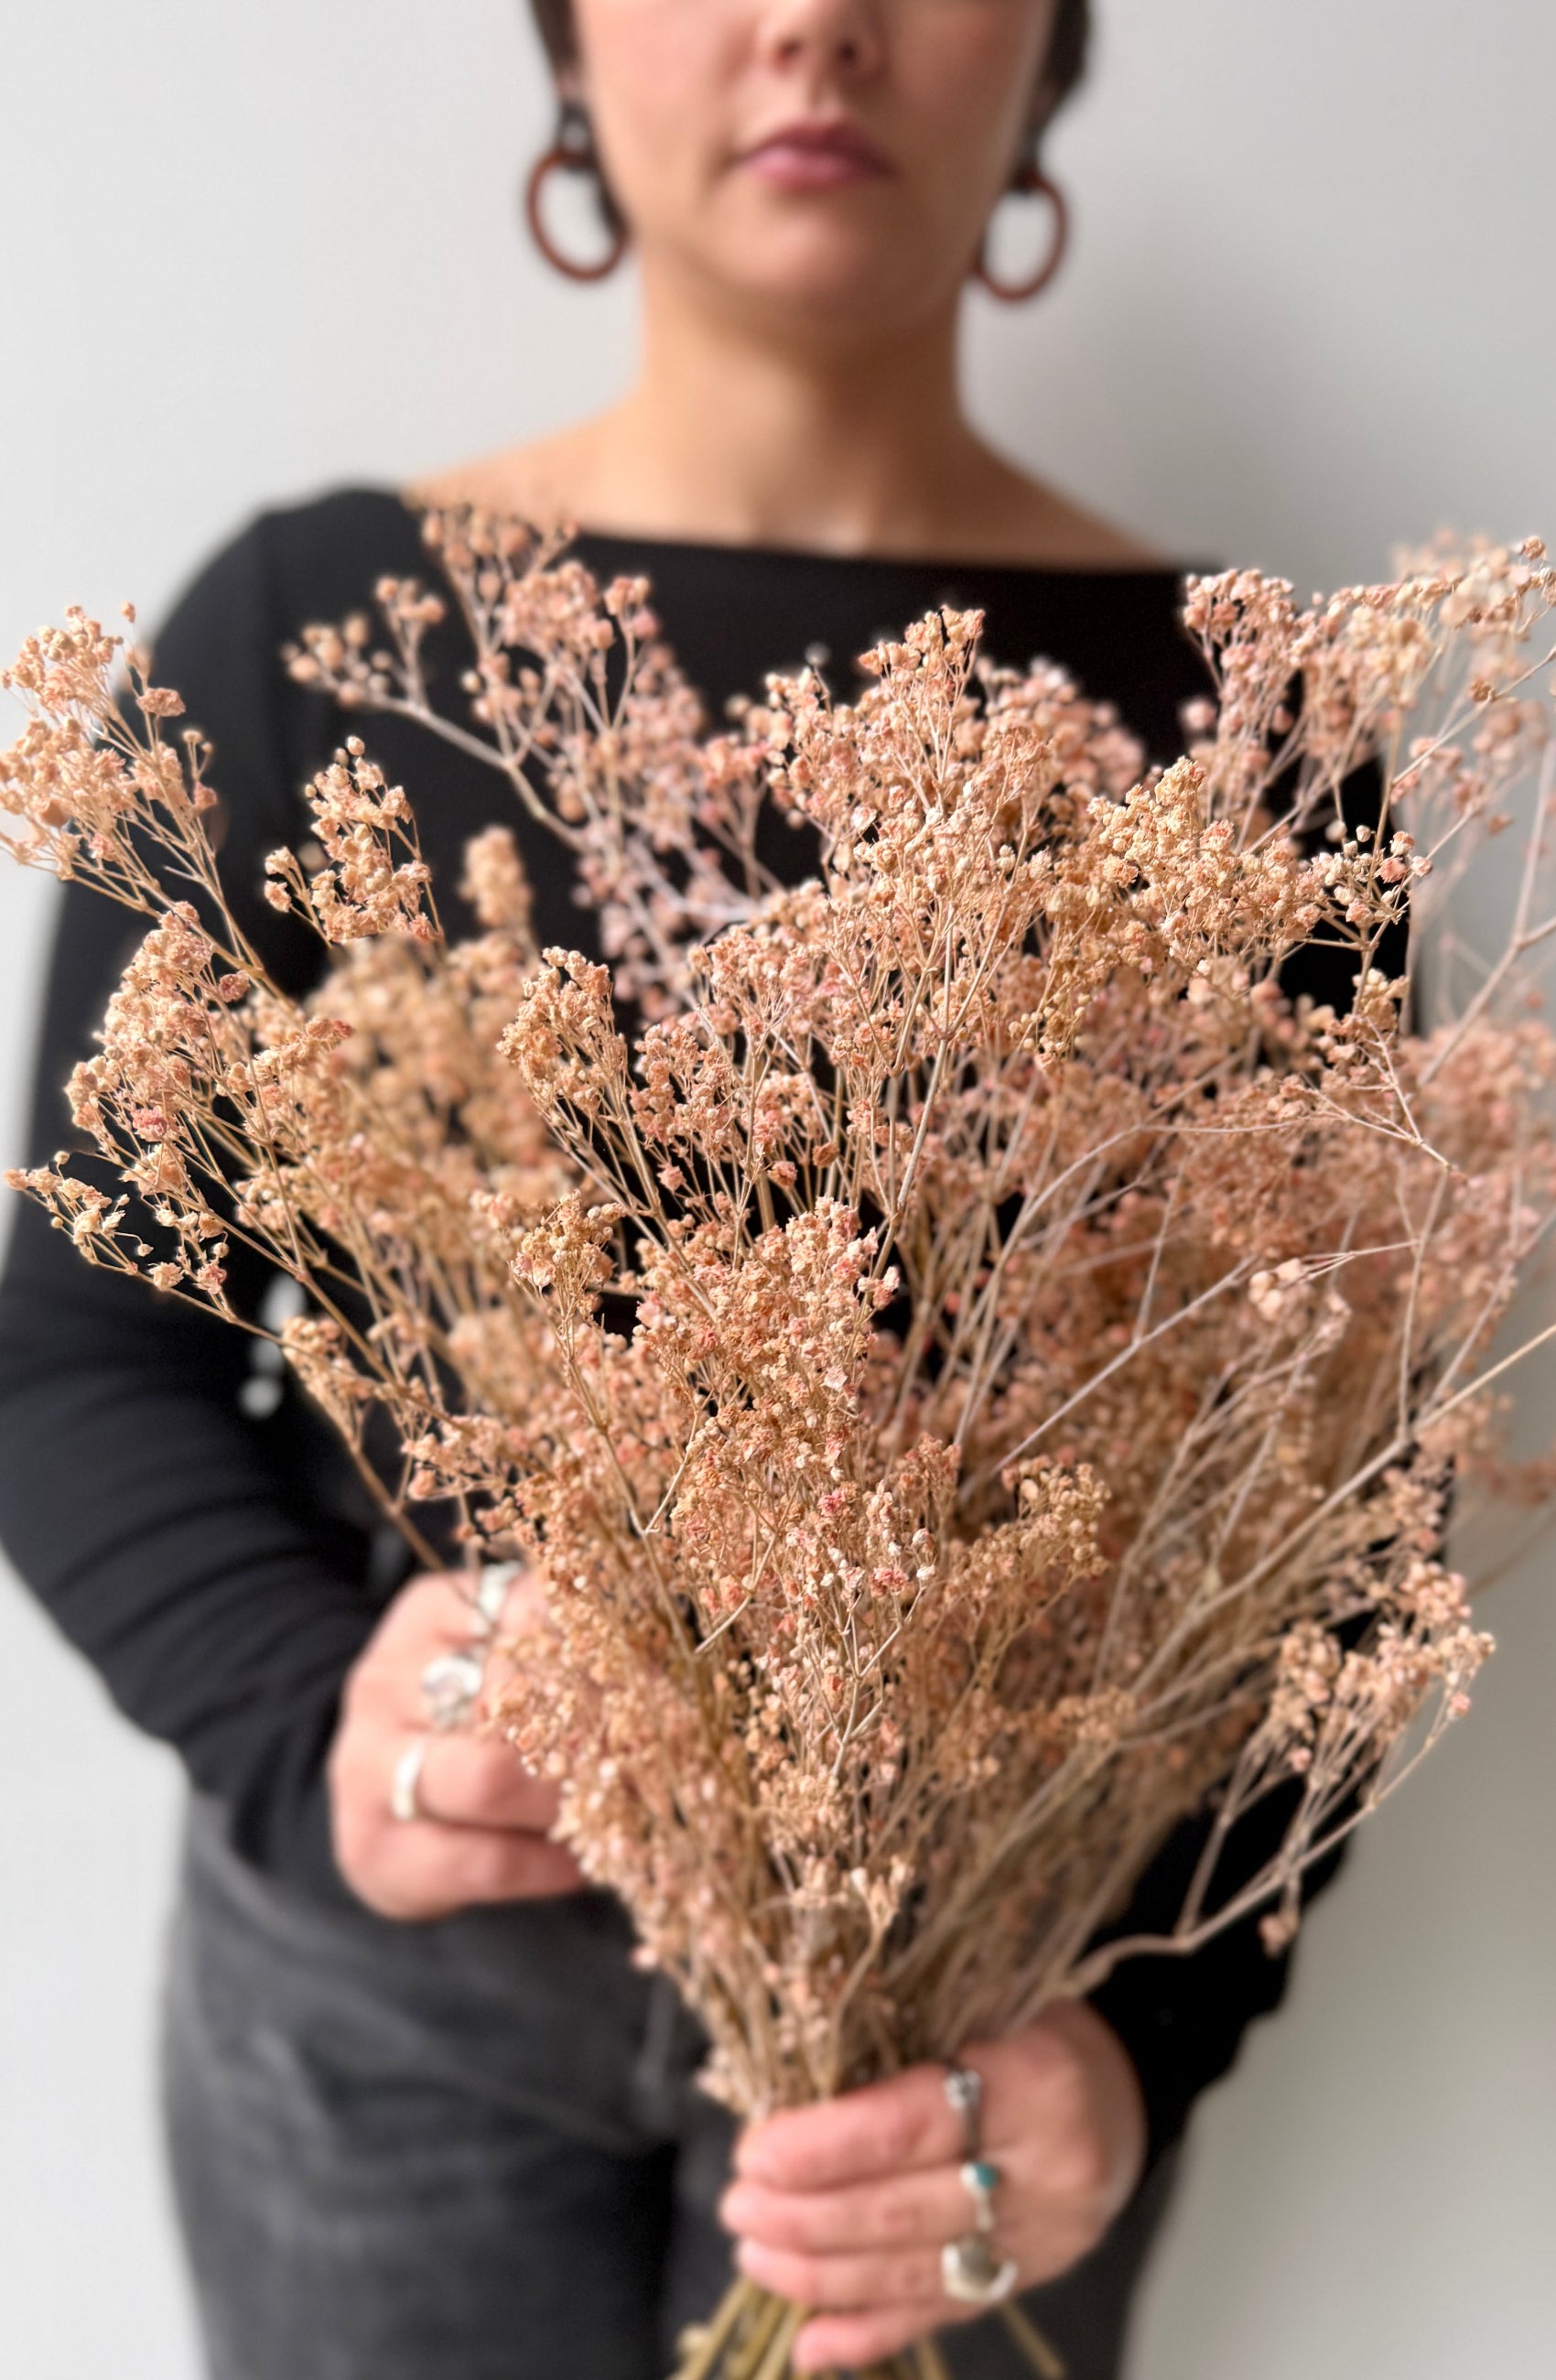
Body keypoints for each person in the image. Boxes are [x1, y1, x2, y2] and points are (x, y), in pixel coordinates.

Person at [0, 5, 1352, 2375]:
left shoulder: (1246, 729)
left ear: (1042, 48)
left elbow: (1327, 1511)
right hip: (380, 2024)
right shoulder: (322, 644)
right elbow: (73, 1336)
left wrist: (1142, 2048)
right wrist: (319, 1729)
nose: (812, 21)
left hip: (946, 2042)